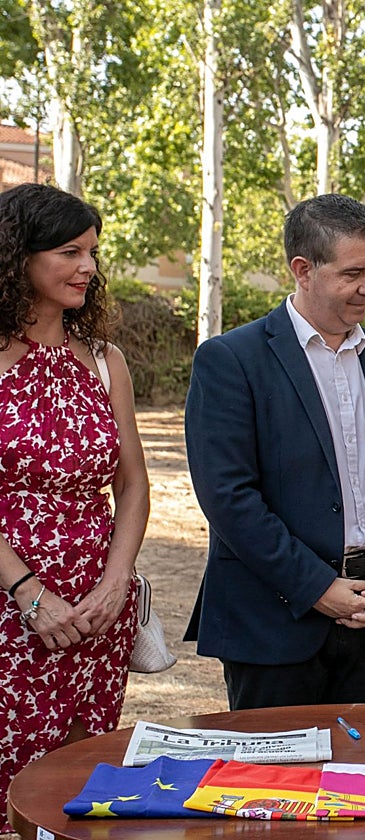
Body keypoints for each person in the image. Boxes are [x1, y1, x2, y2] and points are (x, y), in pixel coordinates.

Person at [184, 193, 365, 710]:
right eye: (353, 273)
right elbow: (229, 496)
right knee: (277, 789)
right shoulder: (231, 360)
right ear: (303, 269)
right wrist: (318, 587)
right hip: (273, 623)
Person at [0, 183, 150, 830]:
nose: (89, 266)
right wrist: (30, 594)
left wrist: (117, 581)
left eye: (92, 251)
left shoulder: (103, 360)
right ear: (17, 259)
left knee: (78, 785)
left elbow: (134, 485)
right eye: (69, 251)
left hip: (97, 610)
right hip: (9, 608)